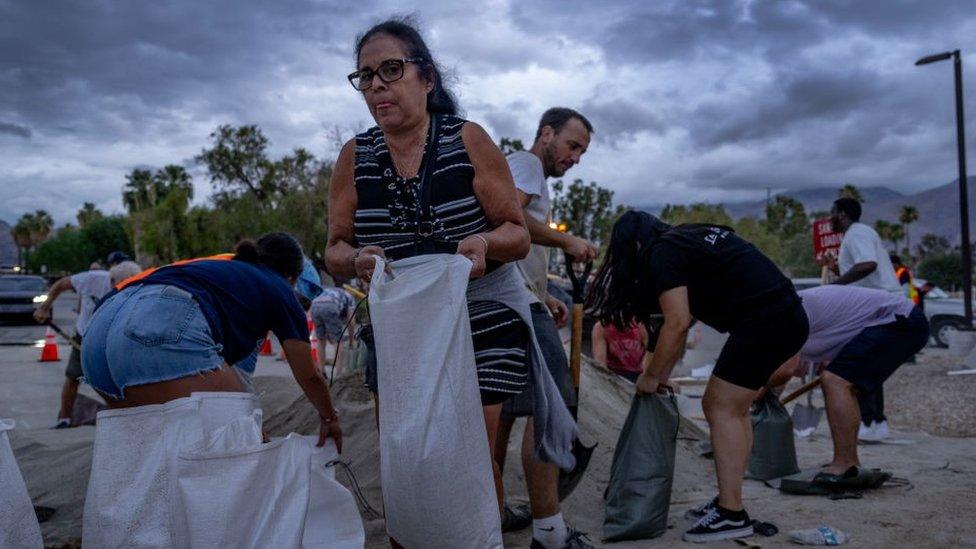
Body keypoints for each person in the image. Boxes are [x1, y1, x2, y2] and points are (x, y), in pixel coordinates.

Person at [325, 18, 578, 548]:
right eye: (365, 76)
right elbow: (334, 249)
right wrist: (358, 258)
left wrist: (484, 244)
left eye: (391, 70)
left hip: (480, 313)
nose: (376, 85)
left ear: (427, 78)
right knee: (406, 453)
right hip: (401, 325)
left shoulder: (467, 139)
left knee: (464, 452)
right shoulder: (355, 157)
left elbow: (516, 231)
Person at [586, 211, 808, 543]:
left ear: (632, 243)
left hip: (766, 320)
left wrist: (650, 377)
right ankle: (728, 504)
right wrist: (661, 371)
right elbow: (681, 324)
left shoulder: (662, 253)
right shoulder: (684, 240)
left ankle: (731, 514)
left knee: (720, 407)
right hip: (781, 316)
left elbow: (677, 322)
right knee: (733, 409)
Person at [80, 233, 341, 449]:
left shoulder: (222, 272)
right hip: (156, 326)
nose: (300, 303)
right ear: (292, 277)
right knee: (241, 441)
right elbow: (308, 375)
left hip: (96, 339)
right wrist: (328, 415)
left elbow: (237, 374)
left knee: (152, 454)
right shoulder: (278, 287)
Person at [491, 107, 598, 547]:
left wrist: (543, 291)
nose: (575, 158)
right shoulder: (526, 163)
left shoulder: (522, 169)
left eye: (582, 152)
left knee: (500, 417)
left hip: (511, 298)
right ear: (547, 133)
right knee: (552, 409)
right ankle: (550, 533)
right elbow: (511, 217)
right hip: (513, 306)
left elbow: (509, 236)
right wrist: (568, 240)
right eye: (573, 146)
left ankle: (492, 511)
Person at [766, 285, 928, 480]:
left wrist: (751, 395)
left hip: (898, 320)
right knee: (837, 380)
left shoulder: (782, 315)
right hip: (890, 321)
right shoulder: (776, 314)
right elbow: (776, 374)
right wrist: (764, 406)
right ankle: (847, 462)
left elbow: (784, 370)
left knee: (836, 381)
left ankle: (846, 465)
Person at [829, 198, 905, 442]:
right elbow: (861, 270)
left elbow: (867, 265)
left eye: (832, 213)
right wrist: (835, 270)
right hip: (874, 306)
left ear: (841, 214)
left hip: (880, 306)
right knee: (866, 363)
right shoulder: (855, 235)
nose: (829, 218)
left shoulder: (857, 233)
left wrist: (835, 286)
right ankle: (875, 422)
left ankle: (871, 421)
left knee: (861, 362)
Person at [34, 264, 113, 428]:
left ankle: (120, 412)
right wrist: (44, 307)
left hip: (108, 339)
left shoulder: (130, 284)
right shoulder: (93, 278)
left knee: (104, 381)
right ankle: (65, 419)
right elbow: (61, 284)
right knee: (73, 376)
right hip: (83, 336)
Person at [310, 281, 356, 374]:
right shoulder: (350, 298)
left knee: (321, 340)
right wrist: (351, 341)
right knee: (338, 342)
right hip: (330, 306)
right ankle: (339, 374)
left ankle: (322, 372)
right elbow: (351, 322)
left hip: (314, 305)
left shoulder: (331, 291)